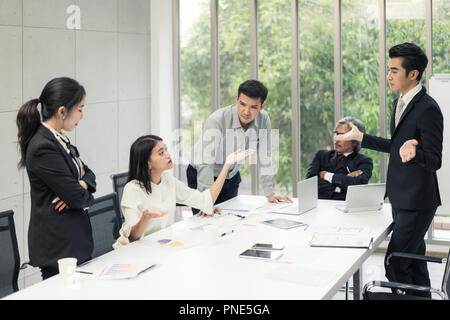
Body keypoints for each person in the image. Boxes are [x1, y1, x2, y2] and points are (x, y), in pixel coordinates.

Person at [335, 43, 443, 296]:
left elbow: (434, 160)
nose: (389, 76)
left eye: (394, 70)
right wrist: (362, 137)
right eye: (389, 70)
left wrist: (415, 153)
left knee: (394, 261)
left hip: (417, 200)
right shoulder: (400, 103)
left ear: (413, 73)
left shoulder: (428, 109)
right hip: (401, 197)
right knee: (414, 263)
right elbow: (397, 146)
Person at [16, 77, 96, 280]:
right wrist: (78, 191)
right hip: (59, 248)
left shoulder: (58, 138)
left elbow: (89, 174)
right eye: (80, 109)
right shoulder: (43, 146)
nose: (82, 115)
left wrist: (81, 183)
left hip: (73, 243)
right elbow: (78, 198)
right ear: (62, 111)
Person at [113, 135, 253, 248]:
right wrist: (145, 219)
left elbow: (206, 200)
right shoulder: (132, 189)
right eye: (161, 153)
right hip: (132, 254)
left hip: (159, 247)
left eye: (166, 149)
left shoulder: (168, 180)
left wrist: (227, 164)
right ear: (147, 163)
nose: (168, 155)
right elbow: (132, 237)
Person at [187, 79, 291, 215]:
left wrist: (269, 193)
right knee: (205, 223)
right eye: (242, 104)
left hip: (231, 176)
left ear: (262, 106)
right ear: (237, 100)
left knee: (230, 223)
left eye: (253, 107)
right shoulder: (218, 120)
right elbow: (205, 163)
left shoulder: (264, 119)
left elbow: (265, 156)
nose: (246, 111)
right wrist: (206, 202)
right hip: (203, 176)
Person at [306, 116, 373, 200]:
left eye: (342, 135)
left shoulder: (364, 161)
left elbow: (358, 185)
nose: (336, 139)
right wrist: (340, 187)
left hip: (345, 209)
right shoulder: (321, 155)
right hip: (320, 206)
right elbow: (309, 183)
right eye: (336, 133)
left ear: (355, 141)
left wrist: (327, 175)